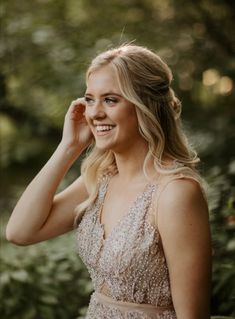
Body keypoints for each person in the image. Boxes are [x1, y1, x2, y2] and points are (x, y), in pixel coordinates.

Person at [6, 44, 212, 319]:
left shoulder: (176, 193)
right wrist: (68, 147)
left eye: (111, 100)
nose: (94, 113)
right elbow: (20, 232)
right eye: (90, 99)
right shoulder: (99, 179)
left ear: (145, 106)